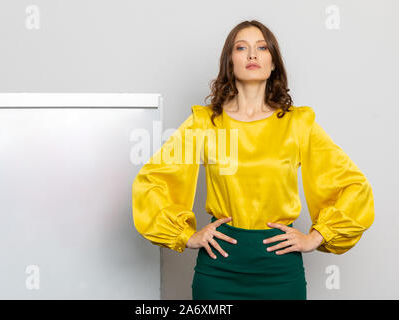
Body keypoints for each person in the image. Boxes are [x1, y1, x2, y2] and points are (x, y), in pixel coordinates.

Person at [131, 20, 375, 300]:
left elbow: (354, 187)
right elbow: (151, 182)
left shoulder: (298, 124)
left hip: (281, 270)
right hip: (219, 269)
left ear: (273, 64)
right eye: (241, 47)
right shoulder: (205, 123)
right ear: (229, 62)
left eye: (261, 47)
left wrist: (317, 236)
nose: (252, 55)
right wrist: (186, 236)